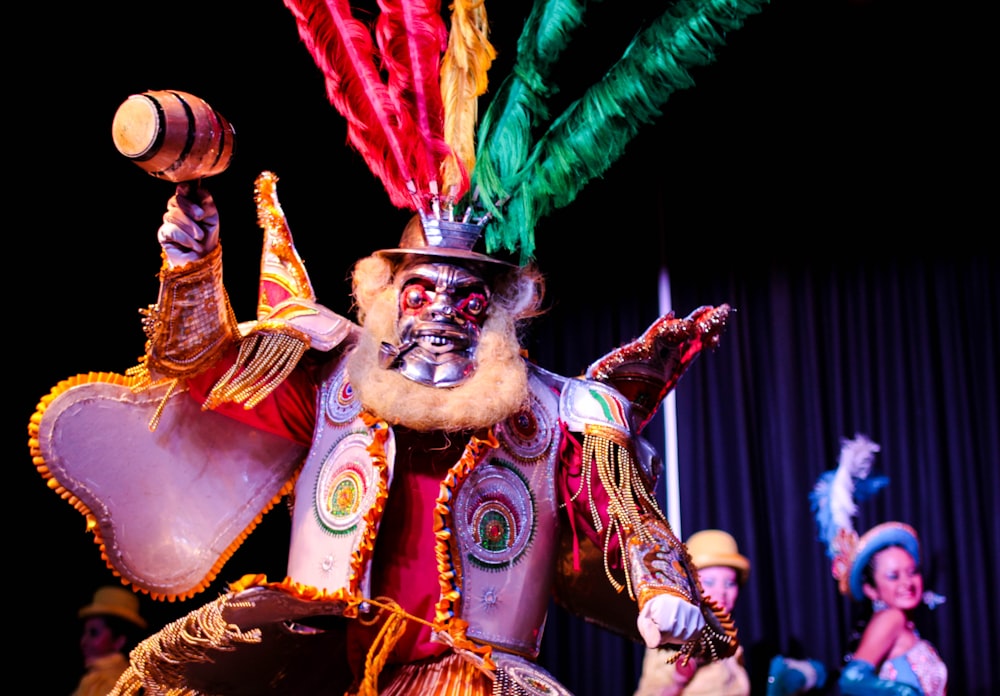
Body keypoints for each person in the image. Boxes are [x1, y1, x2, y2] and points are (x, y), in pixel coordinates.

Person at [27, 2, 770, 693]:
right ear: (385, 295)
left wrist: (664, 590)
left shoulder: (556, 415)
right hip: (333, 674)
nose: (442, 310)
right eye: (421, 290)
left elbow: (625, 520)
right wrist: (192, 264)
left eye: (468, 295)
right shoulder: (330, 385)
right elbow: (205, 371)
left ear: (505, 310)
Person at [811, 434, 947, 696]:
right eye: (894, 576)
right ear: (873, 590)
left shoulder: (905, 623)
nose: (908, 582)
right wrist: (902, 693)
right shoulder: (890, 618)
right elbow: (851, 679)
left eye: (912, 571)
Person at [633, 529, 753, 696]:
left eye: (730, 584)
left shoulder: (726, 633)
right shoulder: (675, 632)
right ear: (691, 585)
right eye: (710, 582)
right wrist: (684, 669)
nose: (722, 592)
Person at [72, 586, 147, 696]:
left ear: (119, 641)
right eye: (85, 632)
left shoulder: (113, 685)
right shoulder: (93, 678)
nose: (83, 642)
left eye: (94, 633)